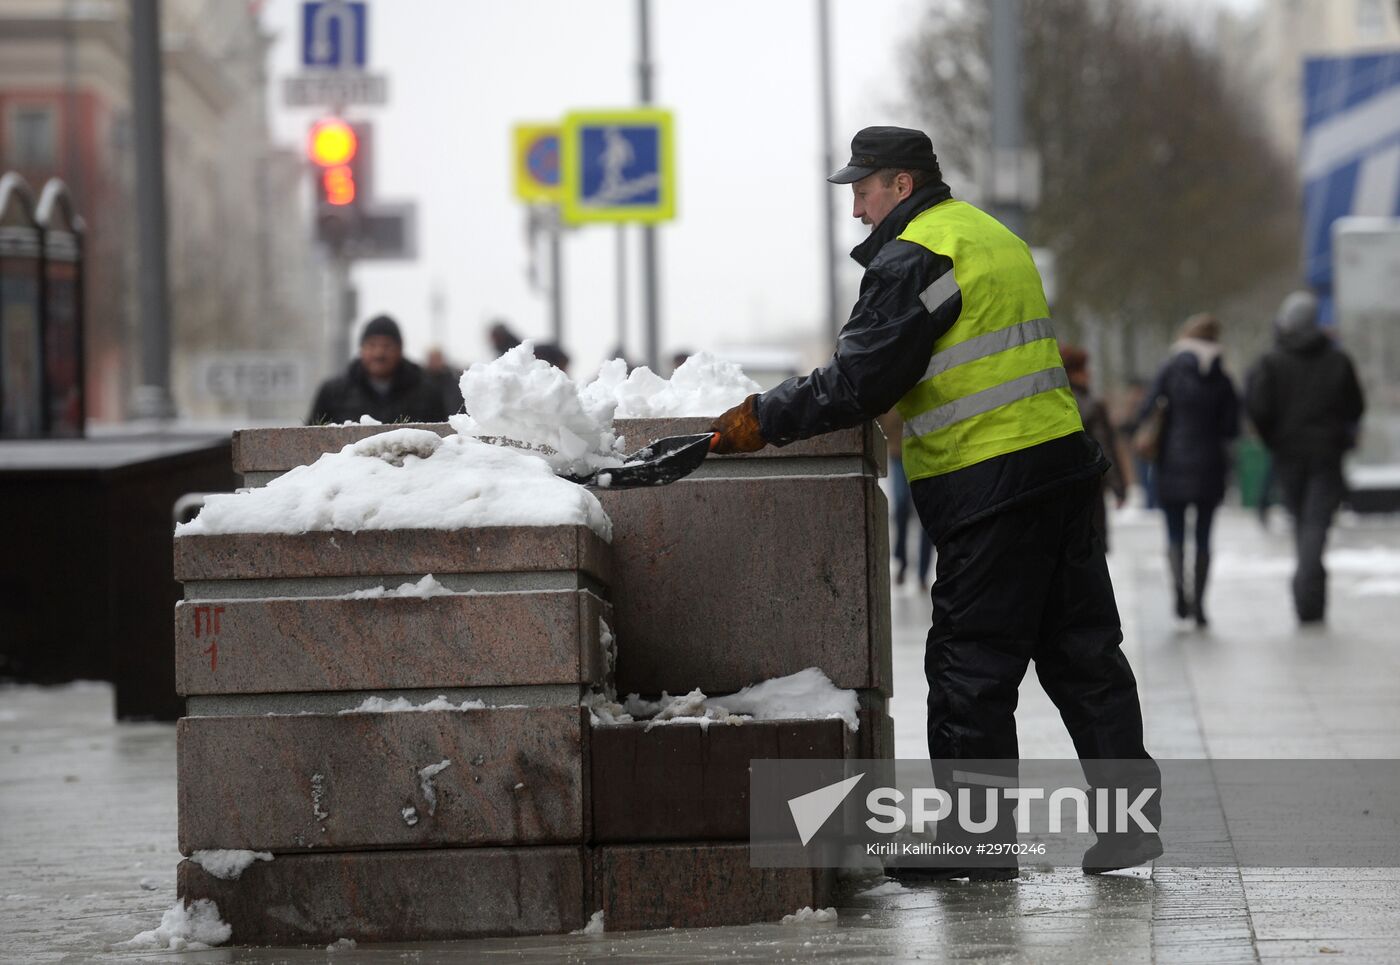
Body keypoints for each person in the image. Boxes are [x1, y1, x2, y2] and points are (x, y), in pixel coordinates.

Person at [709, 126, 1160, 878]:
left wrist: (762, 419)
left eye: (862, 189)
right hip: (1061, 469)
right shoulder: (991, 236)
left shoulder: (917, 256)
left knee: (967, 666)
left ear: (902, 185)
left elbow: (860, 379)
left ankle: (975, 845)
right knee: (1085, 656)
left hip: (993, 484)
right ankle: (1130, 822)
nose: (855, 208)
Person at [1244, 291, 1365, 624]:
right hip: (1327, 453)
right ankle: (1310, 592)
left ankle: (1307, 592)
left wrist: (1274, 439)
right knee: (1316, 524)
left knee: (1303, 521)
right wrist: (1342, 434)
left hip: (1289, 454)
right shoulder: (1338, 360)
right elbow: (1355, 405)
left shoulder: (1272, 361)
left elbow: (1258, 407)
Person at [1138, 313, 1239, 627]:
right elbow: (1232, 427)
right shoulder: (1221, 376)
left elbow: (1146, 409)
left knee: (1175, 533)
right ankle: (1200, 604)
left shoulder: (1169, 369)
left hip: (1172, 463)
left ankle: (1179, 592)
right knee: (1204, 535)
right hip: (1210, 466)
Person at [307, 315, 449, 425]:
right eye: (372, 345)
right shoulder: (333, 393)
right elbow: (311, 440)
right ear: (361, 349)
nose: (379, 353)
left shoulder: (427, 392)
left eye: (387, 346)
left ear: (400, 350)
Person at [1059, 345, 1127, 551]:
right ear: (1076, 372)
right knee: (1090, 551)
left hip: (1058, 488)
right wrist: (1118, 487)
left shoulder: (1049, 403)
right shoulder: (1091, 404)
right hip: (1090, 489)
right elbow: (1104, 447)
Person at [877, 410, 933, 587]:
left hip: (929, 454)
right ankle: (901, 562)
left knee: (928, 514)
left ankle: (923, 573)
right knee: (901, 504)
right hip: (898, 454)